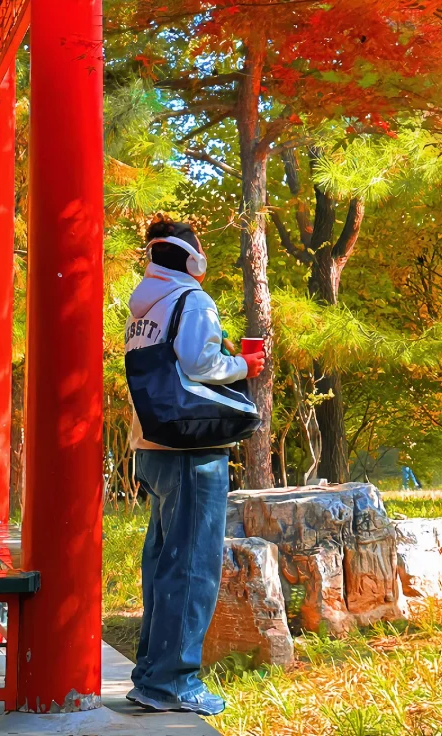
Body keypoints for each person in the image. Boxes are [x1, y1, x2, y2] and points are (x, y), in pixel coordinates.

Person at [124, 216, 265, 716]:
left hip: (151, 445)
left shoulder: (144, 306)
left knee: (163, 564)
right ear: (192, 258)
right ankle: (173, 683)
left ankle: (151, 673)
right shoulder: (193, 299)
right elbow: (200, 364)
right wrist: (244, 366)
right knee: (191, 568)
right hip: (191, 451)